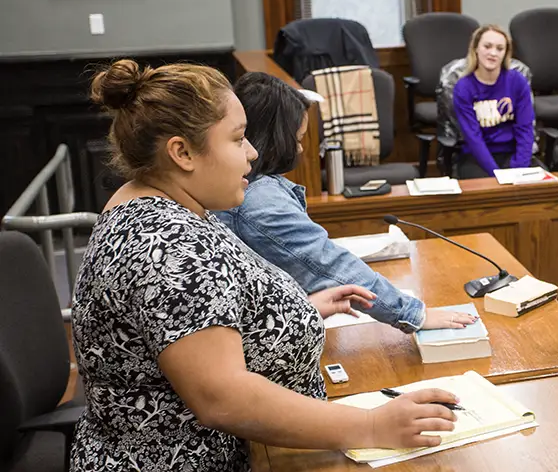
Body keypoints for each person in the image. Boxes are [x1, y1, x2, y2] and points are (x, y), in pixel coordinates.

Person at [71, 61, 459, 471]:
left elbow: (203, 318)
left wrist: (298, 310)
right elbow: (224, 399)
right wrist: (372, 425)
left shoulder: (160, 201)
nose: (253, 152)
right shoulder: (168, 249)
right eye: (238, 139)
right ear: (182, 152)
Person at [215, 72, 475, 332]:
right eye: (296, 139)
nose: (300, 150)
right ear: (275, 137)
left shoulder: (251, 188)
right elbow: (329, 265)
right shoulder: (260, 200)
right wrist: (414, 314)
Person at [452, 25, 540, 179]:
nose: (493, 53)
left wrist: (518, 168)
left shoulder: (517, 81)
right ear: (476, 49)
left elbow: (525, 130)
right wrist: (496, 174)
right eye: (487, 46)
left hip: (512, 153)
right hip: (478, 157)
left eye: (500, 49)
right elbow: (473, 137)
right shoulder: (463, 87)